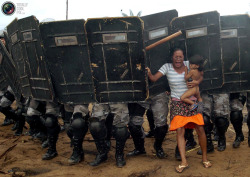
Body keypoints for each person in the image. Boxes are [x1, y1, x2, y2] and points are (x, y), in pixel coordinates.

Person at [146, 48, 211, 173]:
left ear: (183, 57)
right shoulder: (167, 67)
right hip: (177, 103)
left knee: (200, 129)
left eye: (180, 56)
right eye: (176, 56)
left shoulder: (189, 64)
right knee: (180, 131)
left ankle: (204, 158)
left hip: (193, 102)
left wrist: (197, 81)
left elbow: (201, 74)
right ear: (172, 57)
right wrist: (149, 72)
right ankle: (183, 161)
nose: (178, 59)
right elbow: (154, 78)